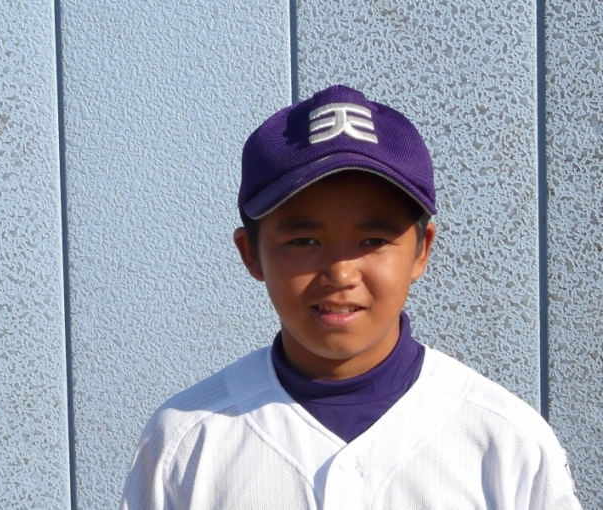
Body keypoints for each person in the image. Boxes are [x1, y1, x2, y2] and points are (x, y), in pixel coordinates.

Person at [120, 85, 581, 509]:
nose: (340, 273)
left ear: (421, 250)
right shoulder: (186, 440)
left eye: (373, 241)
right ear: (251, 254)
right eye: (304, 241)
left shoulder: (506, 442)